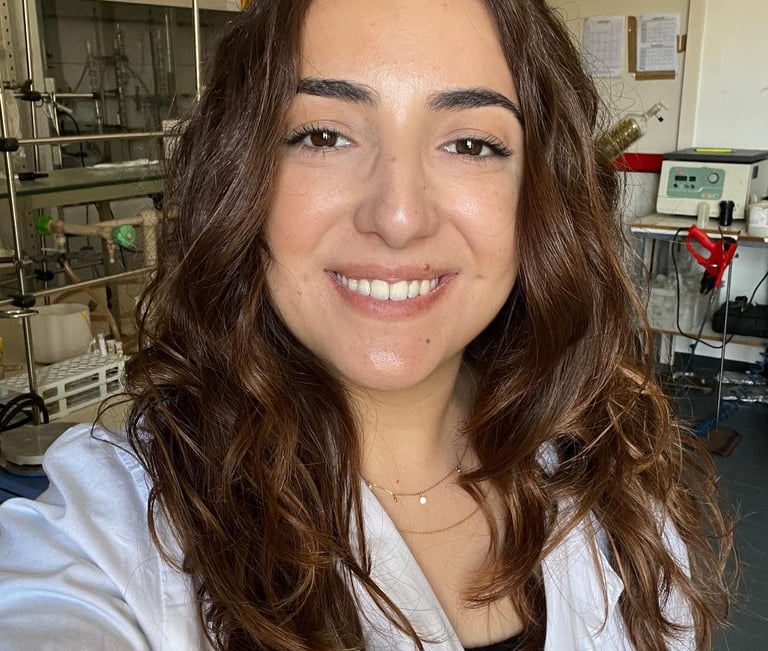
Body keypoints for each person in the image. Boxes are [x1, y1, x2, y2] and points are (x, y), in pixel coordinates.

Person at [0, 0, 733, 649]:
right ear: (241, 175)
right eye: (323, 135)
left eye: (471, 144)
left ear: (539, 194)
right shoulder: (129, 523)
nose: (399, 216)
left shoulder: (605, 464)